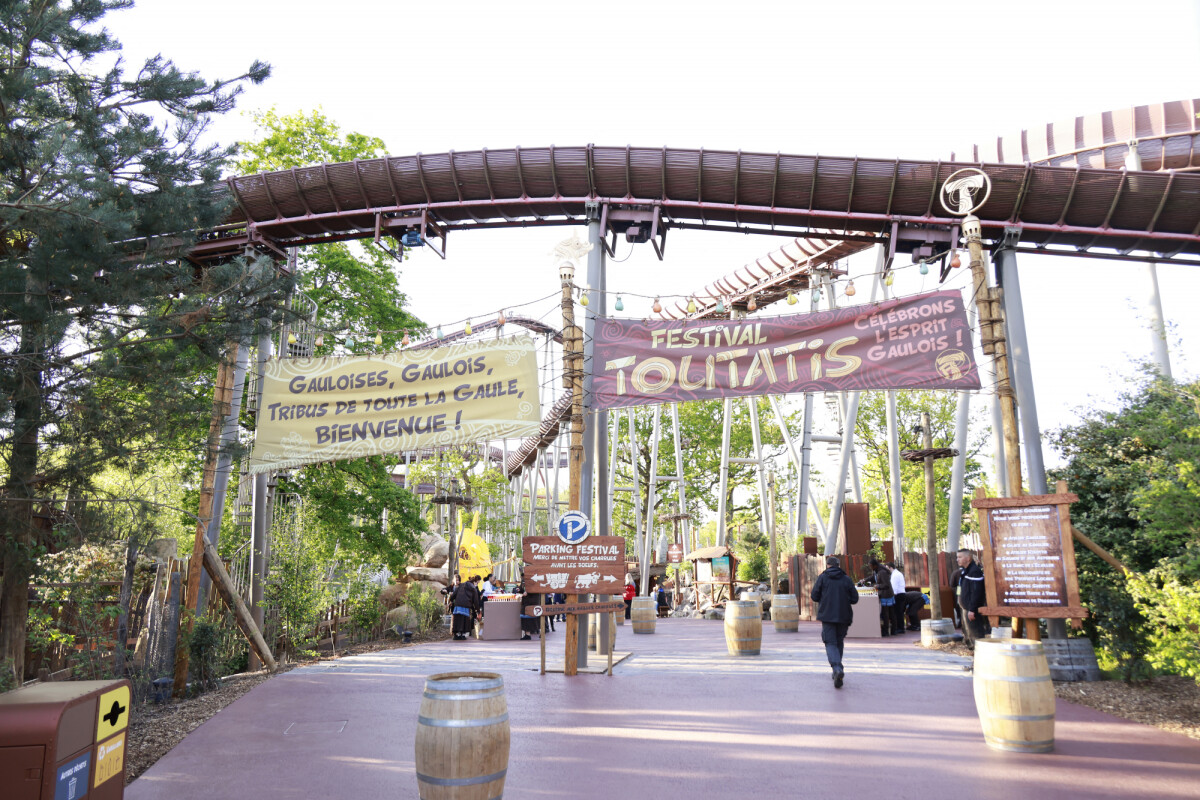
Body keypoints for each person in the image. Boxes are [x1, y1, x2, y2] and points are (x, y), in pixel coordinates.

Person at [811, 555, 859, 688]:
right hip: (844, 616)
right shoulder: (846, 579)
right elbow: (855, 599)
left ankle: (837, 668)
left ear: (827, 565)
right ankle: (837, 670)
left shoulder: (823, 578)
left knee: (830, 642)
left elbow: (814, 596)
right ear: (838, 565)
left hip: (827, 615)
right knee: (839, 642)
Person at [955, 548, 988, 648]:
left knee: (975, 633)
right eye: (957, 557)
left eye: (960, 557)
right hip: (965, 607)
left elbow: (976, 592)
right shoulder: (965, 571)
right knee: (968, 633)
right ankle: (970, 649)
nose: (957, 559)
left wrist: (972, 609)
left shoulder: (974, 572)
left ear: (968, 558)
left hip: (971, 609)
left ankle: (979, 652)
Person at [870, 558, 898, 636]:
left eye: (871, 566)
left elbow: (886, 585)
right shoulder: (876, 571)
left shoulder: (882, 572)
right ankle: (893, 630)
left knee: (887, 614)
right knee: (889, 613)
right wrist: (864, 580)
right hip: (885, 594)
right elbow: (872, 578)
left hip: (886, 595)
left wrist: (877, 586)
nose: (870, 567)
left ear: (875, 565)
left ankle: (887, 631)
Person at [888, 561, 908, 635]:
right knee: (899, 612)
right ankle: (900, 627)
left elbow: (894, 587)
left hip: (898, 595)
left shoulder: (895, 575)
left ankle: (900, 628)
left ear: (890, 567)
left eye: (887, 568)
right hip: (901, 594)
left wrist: (892, 596)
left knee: (898, 612)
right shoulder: (897, 573)